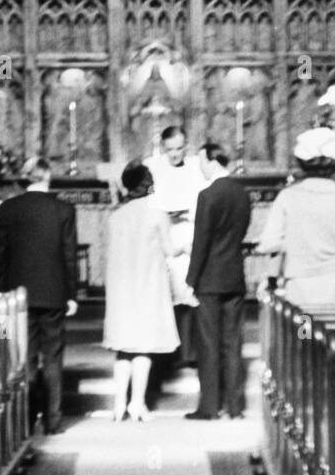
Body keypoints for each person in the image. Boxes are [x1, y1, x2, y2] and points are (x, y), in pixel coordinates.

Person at [0, 158, 78, 434]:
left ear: (25, 178)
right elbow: (69, 255)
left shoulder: (8, 208)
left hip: (18, 295)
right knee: (52, 357)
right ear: (47, 177)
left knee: (23, 357)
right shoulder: (63, 209)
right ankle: (53, 419)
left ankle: (24, 421)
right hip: (53, 294)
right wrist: (71, 294)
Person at [103, 161, 179, 421]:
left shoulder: (115, 215)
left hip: (122, 288)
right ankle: (137, 404)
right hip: (148, 285)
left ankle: (118, 405)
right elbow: (169, 250)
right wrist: (187, 245)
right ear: (148, 184)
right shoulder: (157, 214)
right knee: (143, 347)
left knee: (124, 348)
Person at [257, 128, 335, 307]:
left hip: (302, 286)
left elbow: (269, 242)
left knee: (305, 334)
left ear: (301, 162)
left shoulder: (288, 196)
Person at [184, 140, 251, 420]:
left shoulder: (207, 195)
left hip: (210, 279)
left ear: (212, 161)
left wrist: (190, 280)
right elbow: (241, 233)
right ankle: (235, 407)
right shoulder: (242, 193)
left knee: (209, 343)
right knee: (232, 342)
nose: (199, 165)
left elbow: (201, 241)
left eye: (200, 160)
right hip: (234, 275)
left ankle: (210, 406)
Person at [148, 125, 208, 364]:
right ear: (163, 147)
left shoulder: (195, 167)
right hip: (165, 237)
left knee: (190, 292)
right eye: (170, 149)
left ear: (186, 147)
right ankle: (170, 353)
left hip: (190, 235)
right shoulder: (153, 167)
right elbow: (150, 201)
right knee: (168, 295)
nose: (175, 154)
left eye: (179, 148)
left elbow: (205, 198)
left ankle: (191, 352)